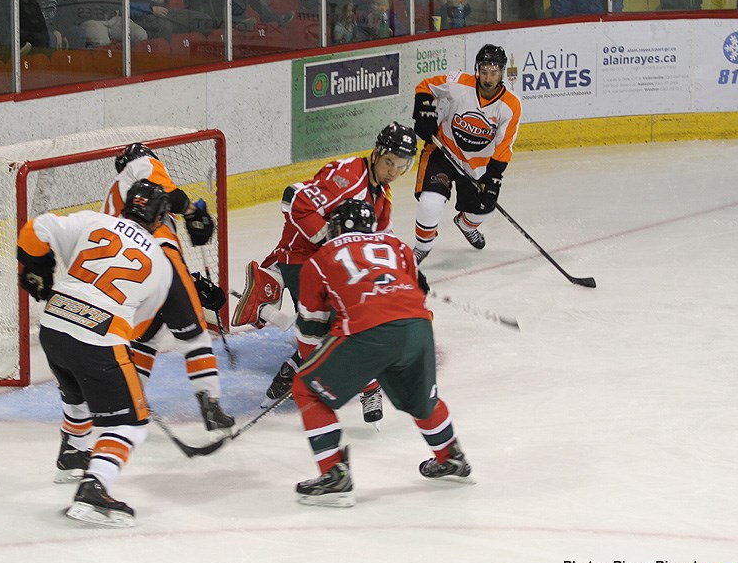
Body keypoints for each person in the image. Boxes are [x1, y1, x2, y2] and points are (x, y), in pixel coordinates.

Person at [290, 198, 472, 507]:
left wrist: (312, 368)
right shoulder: (398, 247)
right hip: (417, 326)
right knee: (421, 399)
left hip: (368, 332)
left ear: (336, 227)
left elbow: (310, 329)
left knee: (306, 389)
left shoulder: (320, 259)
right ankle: (450, 457)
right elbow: (414, 291)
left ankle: (334, 475)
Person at [230, 122, 419, 419]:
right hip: (302, 259)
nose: (393, 171)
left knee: (336, 323)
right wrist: (333, 243)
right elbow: (294, 201)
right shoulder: (347, 176)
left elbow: (382, 237)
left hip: (331, 263)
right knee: (344, 322)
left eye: (402, 165)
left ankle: (292, 370)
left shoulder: (382, 194)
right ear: (377, 153)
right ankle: (367, 387)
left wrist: (401, 272)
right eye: (389, 162)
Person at [16, 180, 170, 527]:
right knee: (130, 423)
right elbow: (140, 327)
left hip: (53, 324)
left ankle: (73, 453)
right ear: (159, 219)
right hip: (99, 336)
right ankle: (94, 489)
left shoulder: (93, 221)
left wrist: (35, 267)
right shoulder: (160, 263)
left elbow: (33, 229)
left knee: (76, 390)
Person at [100, 142, 234, 433]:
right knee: (194, 334)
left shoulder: (110, 201)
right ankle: (210, 403)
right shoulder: (141, 165)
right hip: (161, 258)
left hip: (126, 275)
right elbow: (169, 196)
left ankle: (129, 402)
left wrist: (192, 282)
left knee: (147, 337)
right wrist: (193, 212)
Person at [411, 44, 521, 261]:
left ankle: (465, 224)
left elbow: (504, 146)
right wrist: (423, 113)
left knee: (485, 207)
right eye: (484, 71)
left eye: (494, 72)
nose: (488, 78)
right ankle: (422, 247)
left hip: (476, 166)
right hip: (443, 152)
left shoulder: (511, 105)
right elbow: (426, 86)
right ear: (477, 69)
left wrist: (494, 178)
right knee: (430, 202)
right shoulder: (459, 82)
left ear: (502, 73)